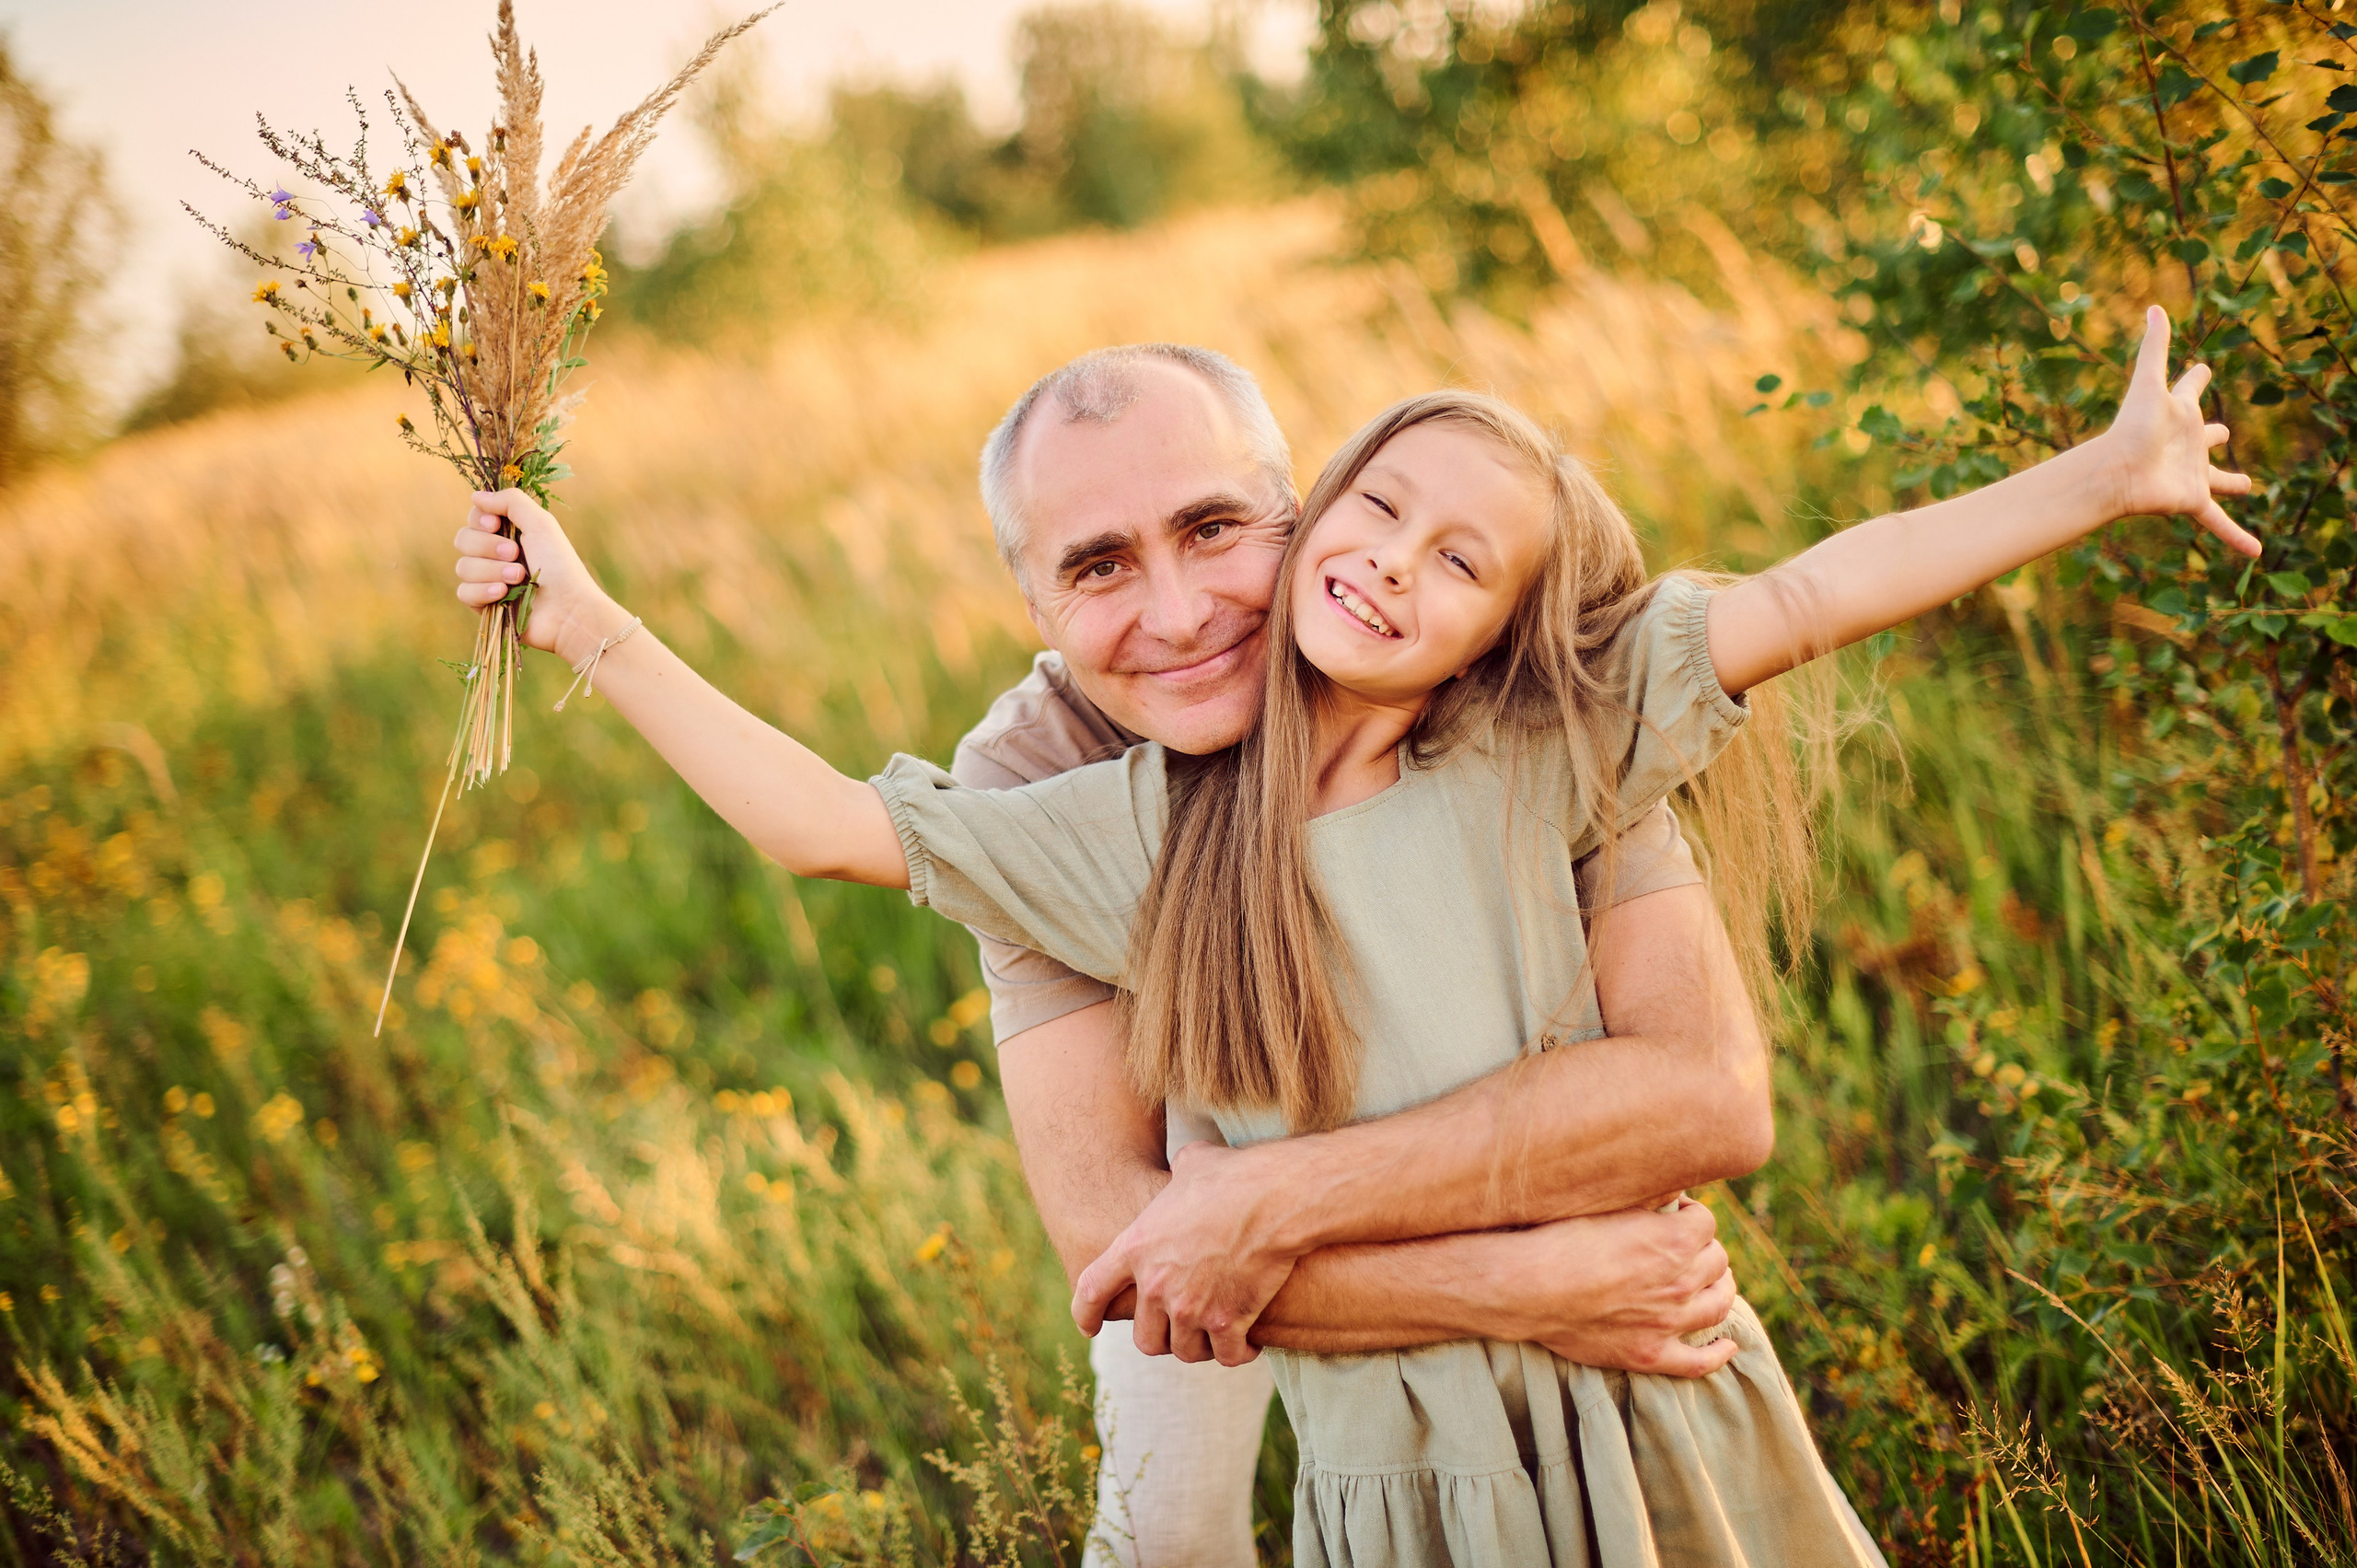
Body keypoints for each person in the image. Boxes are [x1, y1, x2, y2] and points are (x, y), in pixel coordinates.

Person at [453, 308, 2250, 1562]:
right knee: (1161, 1521)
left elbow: (1790, 603)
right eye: (1096, 567)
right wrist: (588, 623)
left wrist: (2093, 480)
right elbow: (837, 852)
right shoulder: (1101, 814)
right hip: (1363, 1423)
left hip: (1633, 1401)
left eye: (1219, 531)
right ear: (1032, 597)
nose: (1177, 609)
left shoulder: (1538, 744)